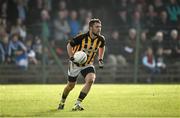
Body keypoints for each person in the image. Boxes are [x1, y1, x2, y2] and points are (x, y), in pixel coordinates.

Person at [58, 18, 105, 111]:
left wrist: (100, 59)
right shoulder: (82, 37)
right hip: (75, 64)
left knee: (91, 80)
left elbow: (102, 47)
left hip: (88, 64)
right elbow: (69, 45)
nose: (99, 29)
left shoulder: (101, 39)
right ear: (91, 28)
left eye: (100, 27)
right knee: (70, 86)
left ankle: (77, 104)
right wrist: (72, 57)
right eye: (97, 27)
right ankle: (62, 101)